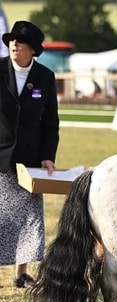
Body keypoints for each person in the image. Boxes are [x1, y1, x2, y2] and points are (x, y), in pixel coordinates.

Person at [0, 21, 59, 288]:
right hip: (0, 156)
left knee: (27, 219)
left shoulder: (45, 77)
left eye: (20, 42)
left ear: (33, 49)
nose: (14, 44)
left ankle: (21, 274)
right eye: (12, 40)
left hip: (30, 161)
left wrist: (48, 155)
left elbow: (51, 123)